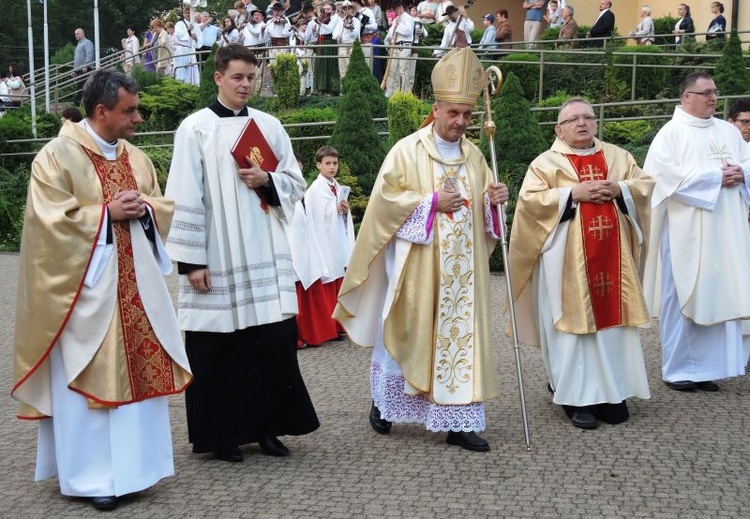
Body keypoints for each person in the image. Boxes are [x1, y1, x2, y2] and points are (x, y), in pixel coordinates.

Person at [11, 69, 192, 512]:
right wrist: (104, 213)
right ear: (101, 111)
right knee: (91, 384)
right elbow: (47, 224)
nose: (138, 118)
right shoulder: (55, 156)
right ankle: (93, 479)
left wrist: (145, 209)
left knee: (136, 377)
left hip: (137, 292)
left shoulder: (136, 157)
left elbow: (158, 202)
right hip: (85, 296)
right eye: (129, 110)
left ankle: (139, 470)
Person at [333, 47, 509, 452]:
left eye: (467, 115)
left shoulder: (477, 155)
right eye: (453, 113)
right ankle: (386, 405)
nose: (461, 122)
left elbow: (485, 212)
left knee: (458, 341)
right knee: (409, 333)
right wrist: (431, 203)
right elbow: (383, 204)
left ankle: (456, 422)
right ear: (436, 109)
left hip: (462, 276)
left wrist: (493, 201)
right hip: (417, 266)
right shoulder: (406, 150)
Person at [165, 44, 319, 463]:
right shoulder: (194, 129)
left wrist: (266, 181)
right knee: (219, 349)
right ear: (217, 78)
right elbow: (182, 195)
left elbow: (296, 181)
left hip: (264, 251)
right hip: (217, 255)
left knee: (272, 344)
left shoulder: (269, 126)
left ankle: (269, 430)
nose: (246, 85)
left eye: (251, 77)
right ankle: (224, 435)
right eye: (237, 77)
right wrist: (192, 262)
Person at [509, 98, 653, 430]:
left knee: (611, 330)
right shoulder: (545, 163)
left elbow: (645, 187)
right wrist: (572, 194)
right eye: (573, 119)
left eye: (588, 117)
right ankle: (576, 398)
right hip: (566, 266)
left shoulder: (618, 156)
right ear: (559, 129)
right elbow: (529, 204)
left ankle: (612, 392)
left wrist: (620, 188)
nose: (582, 123)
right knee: (574, 334)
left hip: (615, 264)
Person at [643, 71, 750, 393]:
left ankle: (710, 369)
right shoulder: (671, 134)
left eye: (715, 92)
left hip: (727, 233)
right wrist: (716, 178)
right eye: (705, 93)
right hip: (685, 234)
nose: (713, 98)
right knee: (683, 298)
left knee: (721, 292)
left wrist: (740, 173)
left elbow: (746, 162)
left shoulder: (727, 132)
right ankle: (679, 370)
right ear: (686, 97)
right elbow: (660, 179)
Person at [295, 146, 353, 347]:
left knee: (340, 281)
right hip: (324, 242)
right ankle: (330, 326)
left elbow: (342, 217)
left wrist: (344, 211)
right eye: (327, 163)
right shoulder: (314, 191)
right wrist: (332, 210)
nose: (332, 167)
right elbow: (312, 217)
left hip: (337, 241)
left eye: (335, 163)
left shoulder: (338, 187)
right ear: (318, 165)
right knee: (329, 285)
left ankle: (339, 325)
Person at [383, 0, 415, 97]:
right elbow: (390, 35)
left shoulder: (408, 18)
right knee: (392, 71)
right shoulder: (396, 19)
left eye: (395, 8)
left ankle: (405, 94)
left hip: (404, 46)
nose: (395, 11)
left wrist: (398, 25)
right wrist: (387, 44)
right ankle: (392, 93)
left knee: (403, 71)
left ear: (400, 7)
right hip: (394, 46)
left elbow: (408, 31)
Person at [174, 7, 203, 85]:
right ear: (183, 14)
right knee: (182, 70)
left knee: (192, 68)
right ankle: (181, 85)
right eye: (186, 13)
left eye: (189, 13)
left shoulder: (195, 25)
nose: (187, 15)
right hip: (182, 50)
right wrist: (187, 30)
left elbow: (200, 36)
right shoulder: (179, 24)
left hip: (191, 49)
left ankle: (193, 85)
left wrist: (196, 38)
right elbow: (177, 35)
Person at [334, 1, 361, 79]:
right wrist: (337, 36)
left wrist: (350, 27)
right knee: (342, 73)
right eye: (345, 8)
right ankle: (343, 91)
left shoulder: (356, 21)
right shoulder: (340, 21)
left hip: (351, 47)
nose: (347, 10)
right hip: (341, 47)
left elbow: (356, 35)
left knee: (352, 71)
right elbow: (334, 33)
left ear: (352, 9)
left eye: (349, 8)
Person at [72, 28, 94, 106]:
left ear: (82, 34)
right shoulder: (79, 44)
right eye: (75, 34)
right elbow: (77, 59)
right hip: (79, 70)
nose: (76, 36)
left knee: (81, 86)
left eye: (77, 34)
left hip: (85, 69)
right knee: (80, 86)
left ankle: (77, 101)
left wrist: (86, 65)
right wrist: (74, 70)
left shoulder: (87, 42)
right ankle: (79, 101)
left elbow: (89, 55)